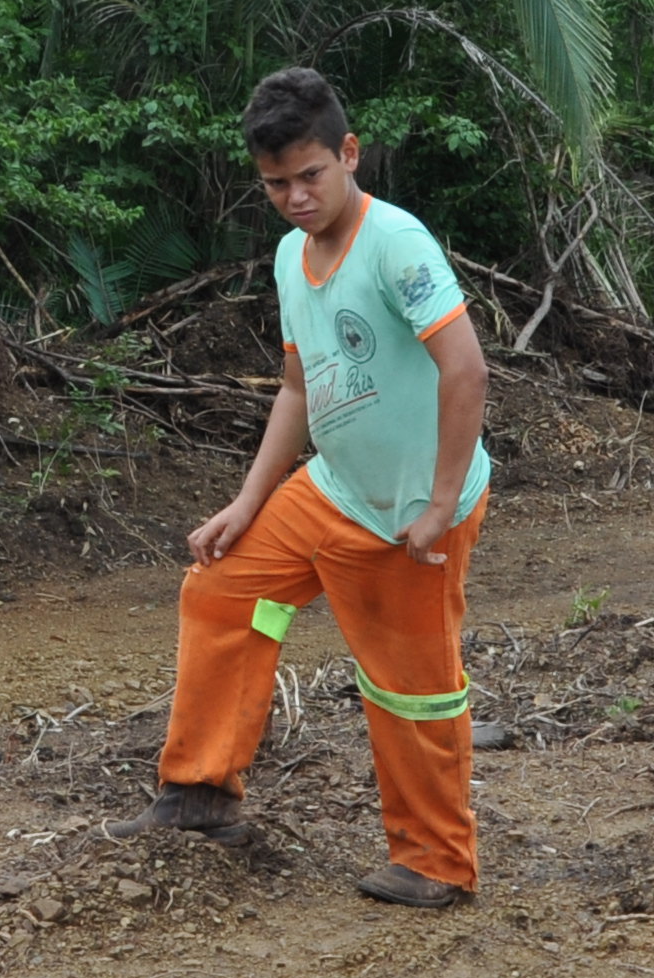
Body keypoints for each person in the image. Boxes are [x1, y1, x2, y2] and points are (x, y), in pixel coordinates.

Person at [143, 67, 493, 907]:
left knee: (411, 688)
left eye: (310, 176)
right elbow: (299, 389)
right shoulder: (288, 258)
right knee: (227, 592)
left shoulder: (396, 242)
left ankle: (436, 863)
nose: (296, 198)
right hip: (332, 489)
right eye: (276, 185)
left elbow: (467, 372)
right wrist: (247, 502)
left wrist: (437, 507)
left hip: (410, 512)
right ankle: (201, 793)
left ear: (349, 154)